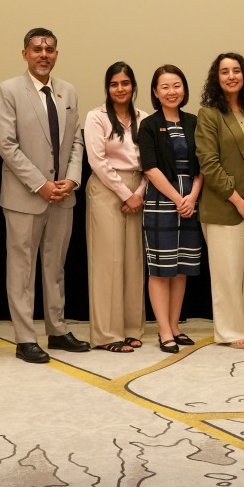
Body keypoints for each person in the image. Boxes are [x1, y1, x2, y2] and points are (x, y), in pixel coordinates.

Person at [0, 28, 89, 364]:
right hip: (25, 197)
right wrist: (40, 184)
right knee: (21, 270)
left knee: (55, 266)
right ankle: (24, 338)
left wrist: (72, 179)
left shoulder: (69, 92)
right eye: (37, 49)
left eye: (49, 49)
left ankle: (58, 330)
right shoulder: (8, 91)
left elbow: (77, 141)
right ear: (25, 54)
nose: (43, 54)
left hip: (63, 196)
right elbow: (6, 144)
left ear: (57, 54)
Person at [195, 53, 244, 349]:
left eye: (236, 71)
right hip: (225, 207)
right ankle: (230, 330)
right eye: (224, 71)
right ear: (217, 78)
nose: (231, 76)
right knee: (227, 273)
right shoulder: (209, 114)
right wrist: (239, 201)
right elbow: (209, 163)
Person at [139, 65, 204, 354]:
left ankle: (176, 325)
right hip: (161, 200)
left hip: (191, 199)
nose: (171, 91)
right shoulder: (150, 125)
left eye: (176, 85)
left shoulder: (193, 122)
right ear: (155, 92)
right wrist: (178, 199)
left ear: (184, 89)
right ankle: (163, 330)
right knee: (160, 269)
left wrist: (191, 197)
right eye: (165, 87)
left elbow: (202, 166)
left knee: (181, 268)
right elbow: (150, 167)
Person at [84, 62, 147, 353]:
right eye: (114, 84)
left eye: (125, 83)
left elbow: (151, 163)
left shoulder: (143, 119)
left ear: (133, 86)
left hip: (139, 190)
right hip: (107, 189)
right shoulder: (96, 118)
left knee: (134, 261)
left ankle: (132, 328)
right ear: (108, 88)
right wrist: (125, 194)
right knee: (108, 262)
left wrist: (139, 193)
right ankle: (107, 334)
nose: (120, 89)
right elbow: (97, 161)